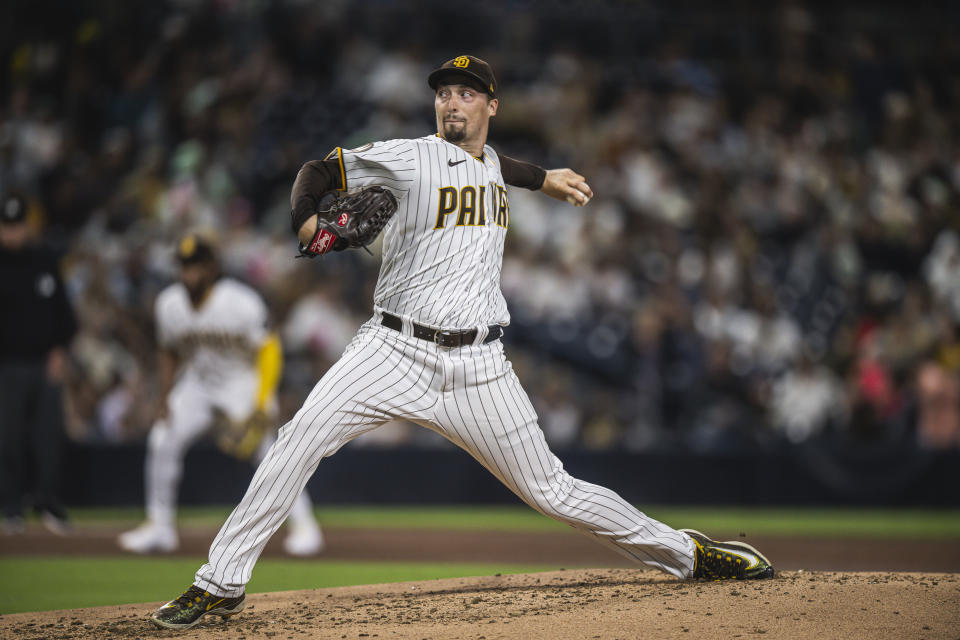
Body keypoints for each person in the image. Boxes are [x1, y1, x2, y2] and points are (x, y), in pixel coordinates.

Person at [150, 55, 773, 631]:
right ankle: (220, 581)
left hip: (480, 367)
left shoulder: (497, 165)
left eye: (466, 93)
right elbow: (316, 170)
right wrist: (309, 224)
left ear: (490, 107)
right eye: (445, 93)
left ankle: (687, 553)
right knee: (296, 440)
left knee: (553, 491)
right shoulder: (409, 155)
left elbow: (502, 167)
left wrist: (545, 178)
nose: (452, 102)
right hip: (391, 350)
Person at [118, 233, 323, 556]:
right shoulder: (169, 304)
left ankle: (305, 525)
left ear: (212, 268)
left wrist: (262, 401)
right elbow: (168, 352)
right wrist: (163, 397)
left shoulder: (240, 302)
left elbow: (269, 349)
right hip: (198, 383)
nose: (189, 274)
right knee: (162, 437)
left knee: (269, 453)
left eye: (196, 266)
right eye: (184, 267)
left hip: (240, 382)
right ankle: (160, 527)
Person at [0, 192, 77, 535]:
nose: (13, 233)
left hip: (45, 364)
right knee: (9, 438)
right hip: (7, 365)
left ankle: (48, 502)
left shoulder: (44, 260)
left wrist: (60, 349)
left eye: (17, 226)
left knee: (49, 438)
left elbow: (64, 312)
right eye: (7, 226)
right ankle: (11, 507)